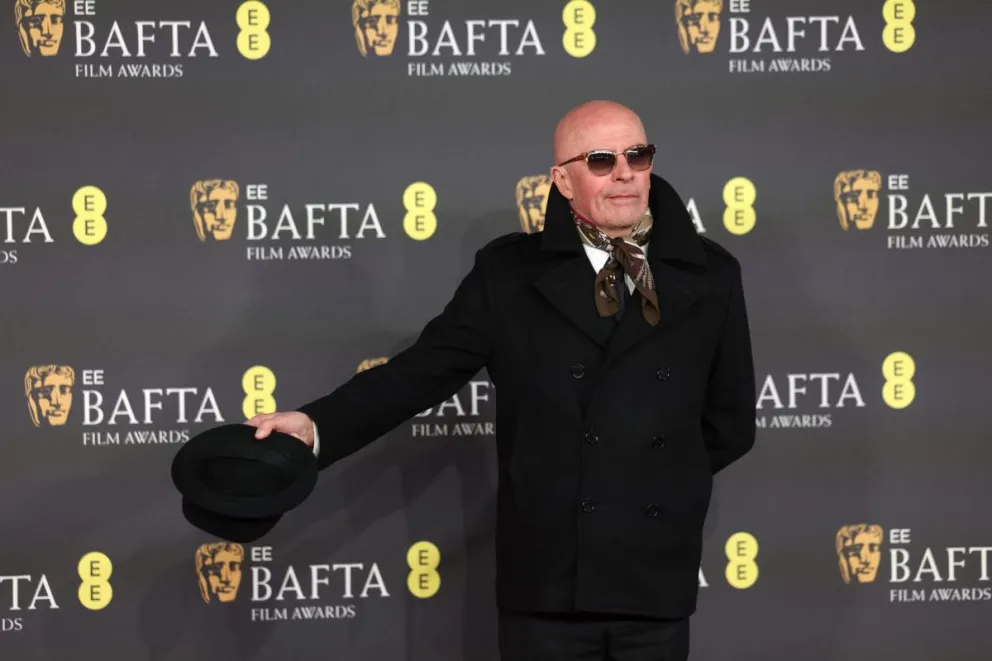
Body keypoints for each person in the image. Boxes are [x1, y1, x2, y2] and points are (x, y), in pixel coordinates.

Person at [246, 100, 756, 660]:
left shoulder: (711, 277)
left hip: (654, 580)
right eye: (602, 160)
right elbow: (420, 374)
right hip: (548, 579)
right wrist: (317, 425)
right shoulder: (508, 277)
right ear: (563, 179)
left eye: (638, 155)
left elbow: (728, 423)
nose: (625, 173)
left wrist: (653, 480)